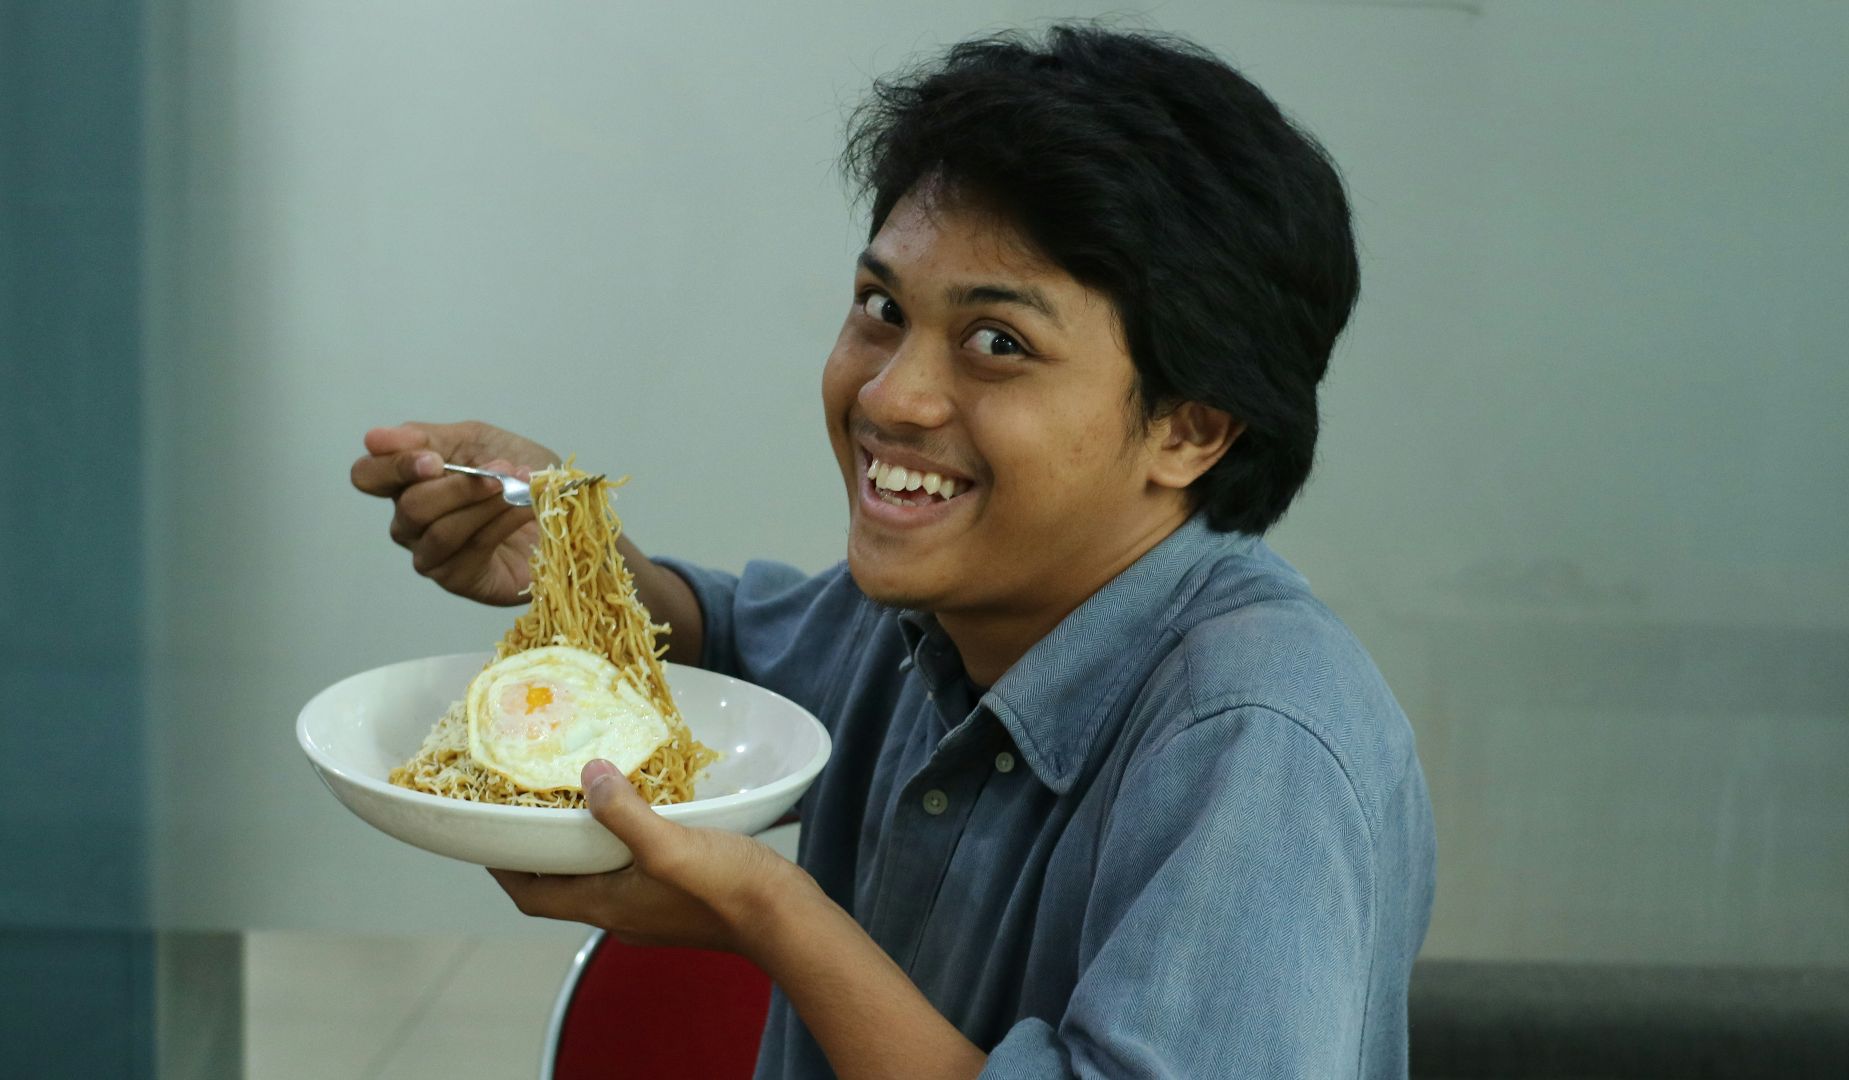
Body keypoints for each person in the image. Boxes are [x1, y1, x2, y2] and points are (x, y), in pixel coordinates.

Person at [351, 24, 1433, 1079]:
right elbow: (730, 647)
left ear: (1191, 428)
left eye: (997, 344)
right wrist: (576, 553)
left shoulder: (1257, 742)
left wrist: (771, 912)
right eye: (881, 308)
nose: (888, 393)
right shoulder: (940, 609)